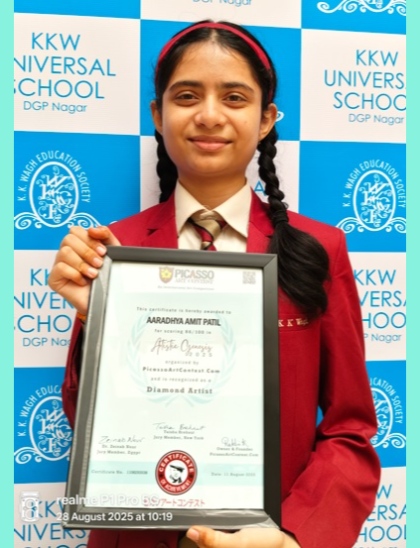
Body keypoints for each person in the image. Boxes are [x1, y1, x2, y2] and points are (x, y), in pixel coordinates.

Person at [49, 20, 380, 548]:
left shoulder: (320, 249)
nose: (208, 115)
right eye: (186, 96)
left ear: (266, 119)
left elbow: (350, 428)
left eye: (234, 97)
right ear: (158, 115)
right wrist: (97, 319)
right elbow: (88, 427)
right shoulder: (114, 249)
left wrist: (295, 537)